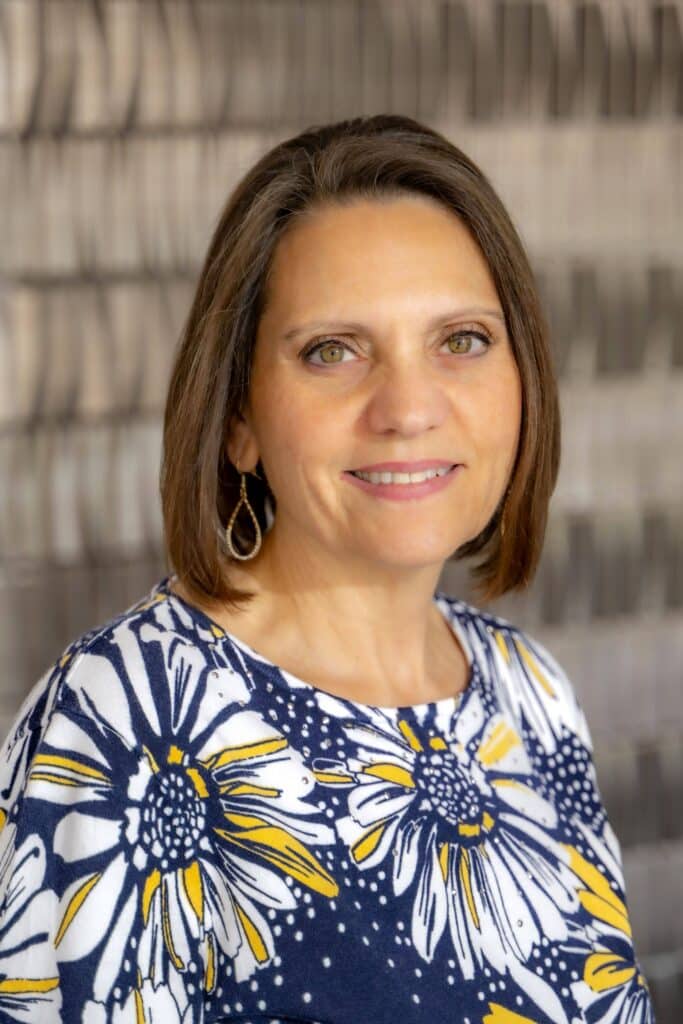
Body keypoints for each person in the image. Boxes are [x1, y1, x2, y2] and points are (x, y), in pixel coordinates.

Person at [0, 115, 654, 1024]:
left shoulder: (531, 696)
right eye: (332, 351)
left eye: (460, 339)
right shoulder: (119, 725)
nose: (408, 408)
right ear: (238, 418)